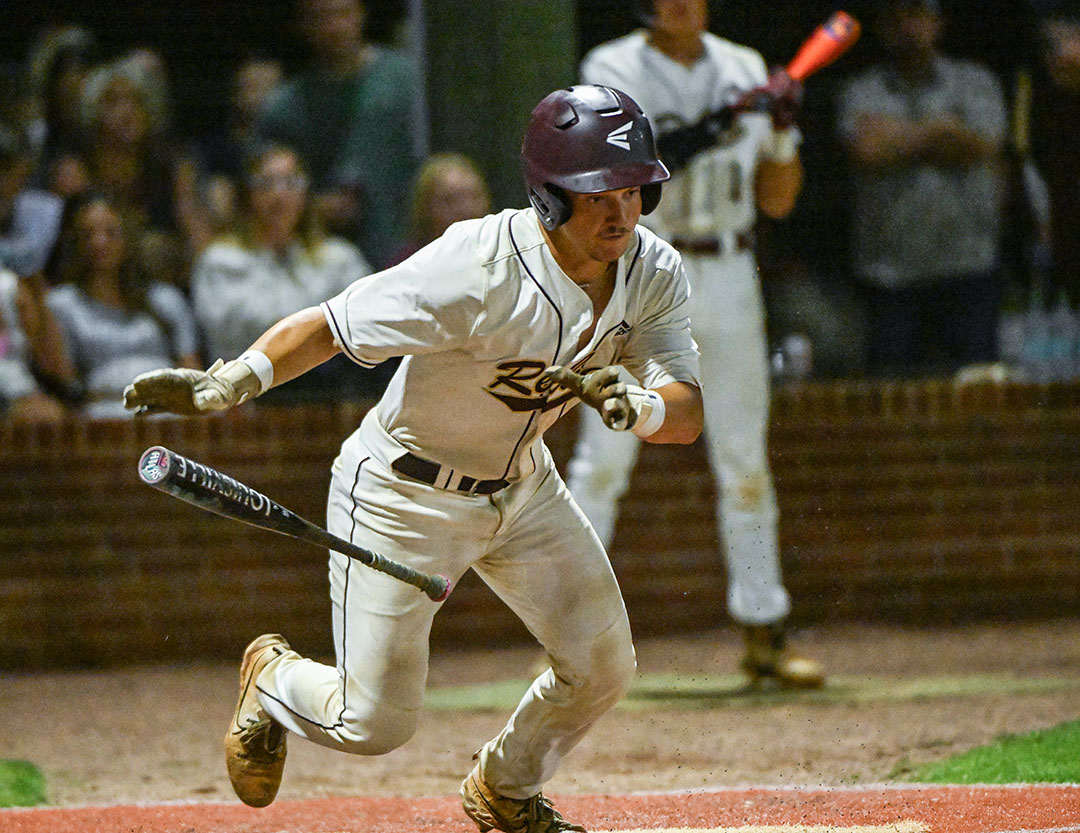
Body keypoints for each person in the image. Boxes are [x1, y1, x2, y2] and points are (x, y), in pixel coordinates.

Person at [123, 84, 702, 833]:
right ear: (550, 196)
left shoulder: (651, 269)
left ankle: (503, 787)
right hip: (404, 492)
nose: (620, 212)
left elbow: (684, 414)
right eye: (597, 195)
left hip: (524, 488)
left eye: (631, 191)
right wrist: (232, 379)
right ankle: (273, 677)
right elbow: (331, 325)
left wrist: (644, 406)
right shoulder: (476, 265)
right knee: (372, 724)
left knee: (604, 665)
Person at [572, 0, 824, 689]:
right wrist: (720, 121)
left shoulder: (743, 66)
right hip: (643, 270)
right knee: (602, 461)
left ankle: (764, 629)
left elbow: (778, 199)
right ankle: (568, 637)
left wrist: (777, 126)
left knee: (744, 460)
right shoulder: (611, 68)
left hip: (731, 271)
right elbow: (630, 173)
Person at [836, 0, 1008, 377]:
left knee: (977, 396)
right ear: (882, 28)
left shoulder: (975, 81)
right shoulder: (860, 90)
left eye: (917, 15)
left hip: (967, 268)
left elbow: (981, 146)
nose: (907, 26)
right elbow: (868, 149)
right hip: (889, 275)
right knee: (889, 401)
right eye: (896, 17)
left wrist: (897, 136)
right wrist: (942, 129)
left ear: (937, 23)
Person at [190, 144, 380, 403]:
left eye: (291, 182)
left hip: (331, 395)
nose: (279, 195)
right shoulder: (220, 261)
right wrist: (323, 325)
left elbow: (369, 319)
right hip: (250, 398)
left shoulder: (339, 257)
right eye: (267, 183)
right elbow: (233, 336)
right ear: (249, 193)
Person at [253, 0, 423, 269]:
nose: (335, 27)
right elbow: (259, 183)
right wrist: (312, 205)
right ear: (304, 25)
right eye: (322, 17)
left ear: (361, 14)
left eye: (343, 14)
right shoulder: (287, 105)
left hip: (406, 248)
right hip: (321, 263)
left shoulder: (404, 81)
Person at [46, 191, 201, 419]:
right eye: (88, 234)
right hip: (102, 418)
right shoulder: (63, 304)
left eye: (110, 233)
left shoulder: (165, 299)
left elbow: (193, 375)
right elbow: (66, 386)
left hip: (171, 415)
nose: (99, 242)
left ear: (128, 237)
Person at [388, 152, 492, 265]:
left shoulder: (501, 258)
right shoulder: (405, 267)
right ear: (425, 207)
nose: (467, 209)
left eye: (474, 197)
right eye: (451, 200)